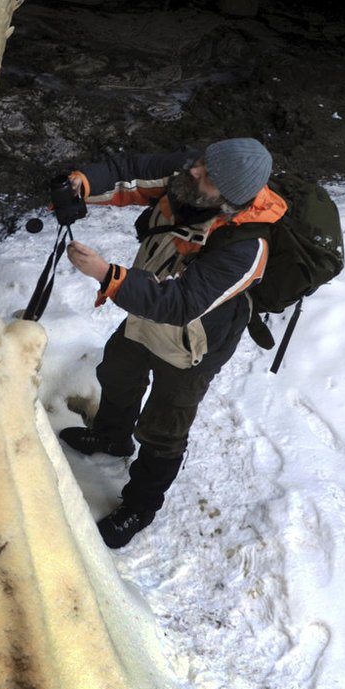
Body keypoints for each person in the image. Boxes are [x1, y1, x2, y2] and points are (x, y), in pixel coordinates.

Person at [58, 139, 286, 549]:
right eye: (202, 162)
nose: (196, 171)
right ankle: (112, 437)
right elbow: (131, 166)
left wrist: (108, 275)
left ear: (231, 198)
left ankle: (141, 505)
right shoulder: (189, 174)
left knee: (164, 427)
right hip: (145, 313)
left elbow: (181, 303)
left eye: (208, 175)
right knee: (117, 371)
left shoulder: (248, 247)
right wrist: (84, 183)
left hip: (193, 344)